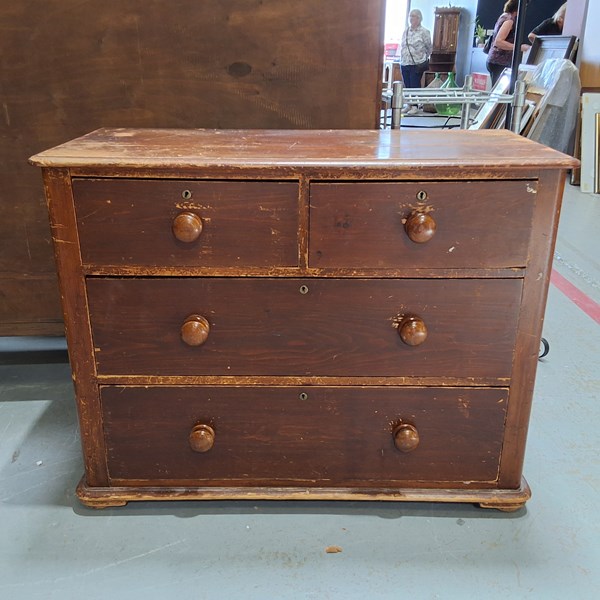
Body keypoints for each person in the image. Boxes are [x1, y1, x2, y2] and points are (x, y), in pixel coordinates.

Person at [486, 0, 531, 87]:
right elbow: (498, 42)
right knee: (499, 93)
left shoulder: (503, 16)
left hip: (494, 60)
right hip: (499, 62)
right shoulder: (509, 20)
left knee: (496, 91)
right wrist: (519, 47)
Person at [399, 8, 432, 115]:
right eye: (410, 16)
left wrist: (423, 57)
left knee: (414, 85)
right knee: (407, 85)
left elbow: (429, 47)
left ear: (419, 18)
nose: (411, 18)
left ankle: (415, 105)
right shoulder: (406, 31)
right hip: (405, 62)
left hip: (417, 63)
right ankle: (409, 104)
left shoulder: (424, 32)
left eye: (413, 16)